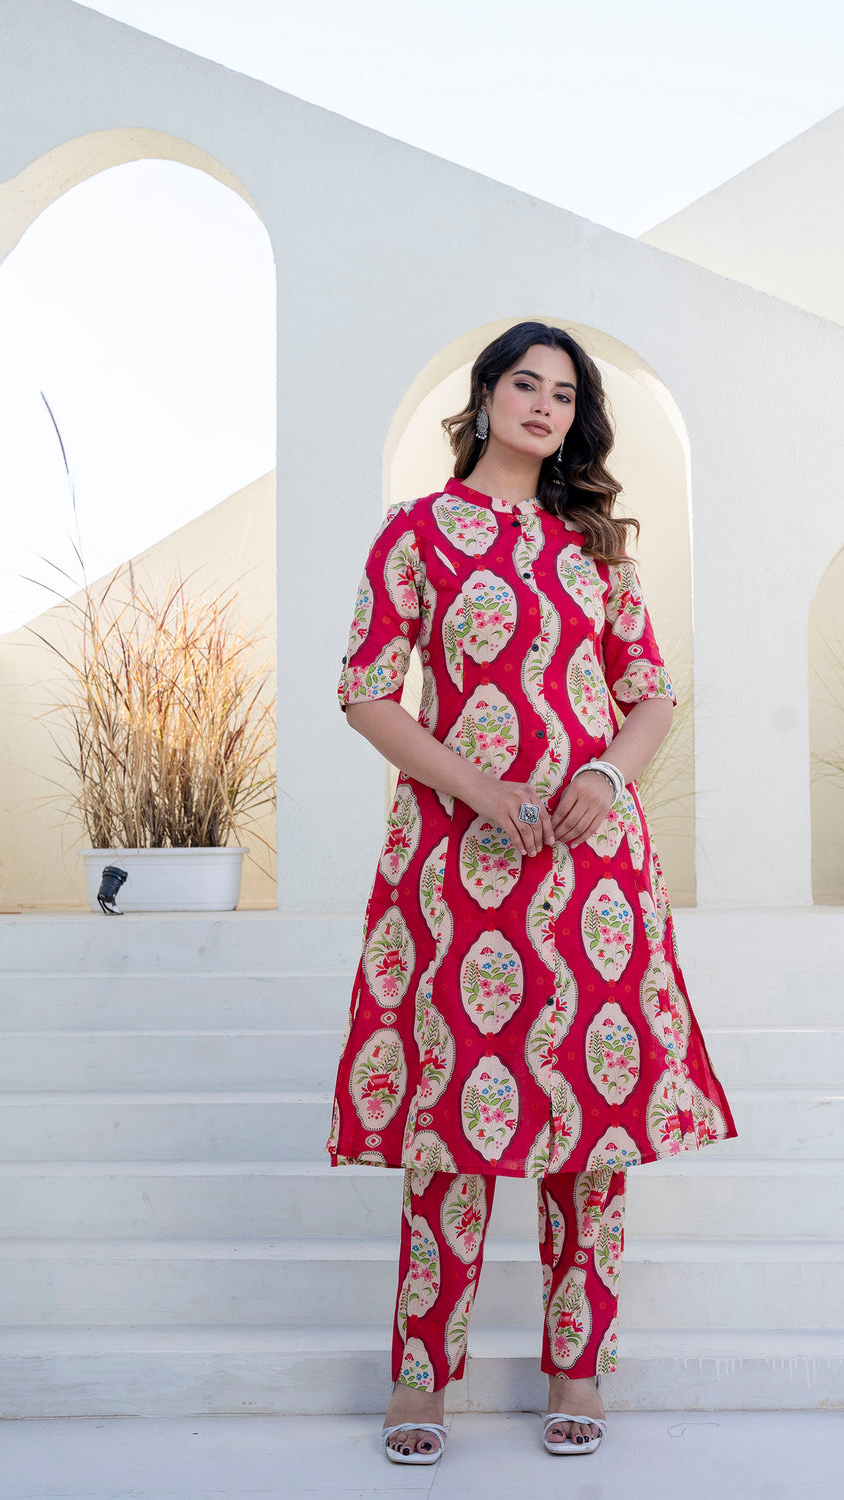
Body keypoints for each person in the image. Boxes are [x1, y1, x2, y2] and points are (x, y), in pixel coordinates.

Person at [329, 321, 737, 1465]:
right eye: (527, 383)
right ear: (486, 395)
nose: (546, 405)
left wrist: (605, 776)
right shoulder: (417, 534)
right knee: (451, 1123)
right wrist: (477, 788)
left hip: (591, 867)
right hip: (459, 868)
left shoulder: (593, 546)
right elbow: (367, 691)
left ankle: (578, 1368)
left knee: (588, 1123)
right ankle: (422, 1377)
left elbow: (650, 692)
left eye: (565, 393)